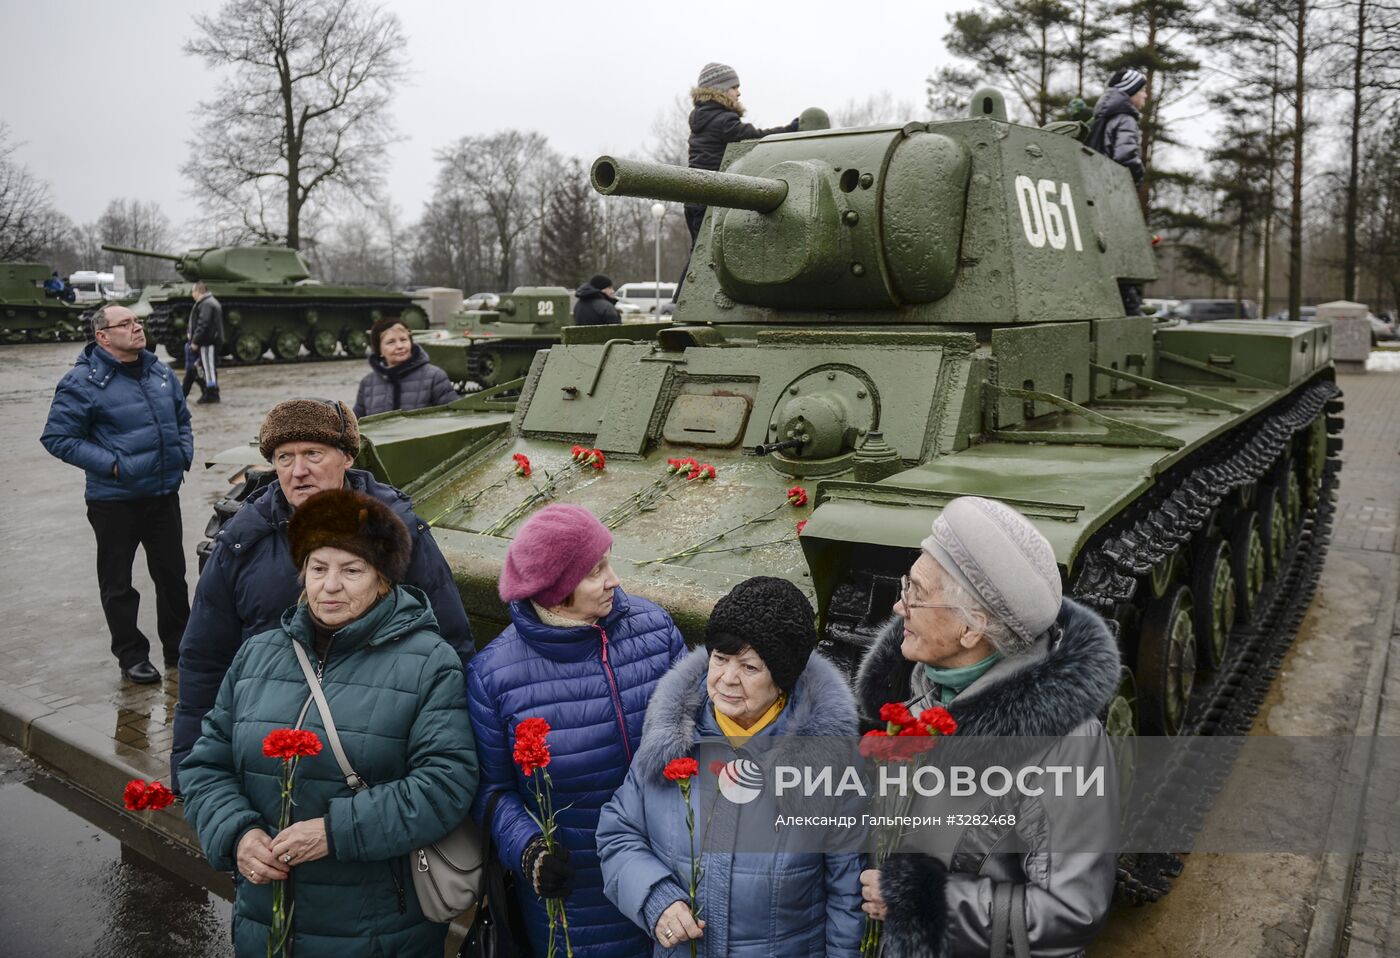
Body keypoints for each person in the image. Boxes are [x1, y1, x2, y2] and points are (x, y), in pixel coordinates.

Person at [180, 488, 478, 957]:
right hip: (267, 920)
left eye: (351, 570)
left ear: (382, 580)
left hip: (379, 928)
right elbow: (206, 764)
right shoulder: (259, 654)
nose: (330, 585)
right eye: (318, 568)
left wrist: (336, 833)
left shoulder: (428, 663)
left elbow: (446, 783)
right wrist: (236, 833)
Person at [853, 496, 1121, 957]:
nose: (899, 606)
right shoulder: (913, 691)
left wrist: (921, 902)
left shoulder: (1065, 746)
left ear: (972, 629)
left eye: (916, 591)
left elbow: (1071, 913)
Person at [171, 398, 474, 791]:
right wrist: (188, 769)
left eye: (313, 454)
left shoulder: (395, 533)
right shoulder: (243, 542)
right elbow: (204, 658)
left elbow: (451, 642)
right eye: (284, 457)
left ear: (347, 456)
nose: (298, 472)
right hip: (268, 756)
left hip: (368, 756)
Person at [597, 576, 864, 956]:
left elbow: (847, 895)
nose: (727, 679)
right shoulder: (670, 740)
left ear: (782, 680)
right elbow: (616, 832)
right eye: (720, 659)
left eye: (750, 667)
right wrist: (656, 898)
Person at [467, 504, 688, 958]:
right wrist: (529, 852)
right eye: (595, 571)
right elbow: (490, 791)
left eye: (609, 561)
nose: (615, 580)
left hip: (671, 877)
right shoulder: (493, 676)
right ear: (555, 591)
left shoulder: (657, 630)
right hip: (576, 900)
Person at [40, 304, 193, 685]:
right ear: (102, 336)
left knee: (173, 576)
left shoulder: (159, 371)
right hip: (114, 500)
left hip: (162, 494)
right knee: (118, 582)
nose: (136, 327)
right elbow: (58, 438)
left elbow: (182, 418)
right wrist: (114, 465)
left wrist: (183, 454)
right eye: (125, 323)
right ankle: (131, 655)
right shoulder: (81, 382)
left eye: (137, 320)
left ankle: (179, 648)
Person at [685, 62, 798, 246]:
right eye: (734, 87)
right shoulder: (723, 121)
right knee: (708, 255)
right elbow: (755, 138)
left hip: (694, 197)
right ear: (719, 90)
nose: (738, 93)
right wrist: (791, 130)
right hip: (711, 195)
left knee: (699, 256)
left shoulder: (702, 118)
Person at [353, 315, 458, 418]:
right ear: (379, 350)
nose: (400, 346)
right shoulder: (368, 383)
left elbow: (454, 416)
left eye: (403, 340)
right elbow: (356, 426)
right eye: (391, 342)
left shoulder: (435, 377)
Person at [1087, 67, 1148, 188]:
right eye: (1142, 90)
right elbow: (1125, 157)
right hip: (1114, 187)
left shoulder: (1103, 117)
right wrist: (1137, 180)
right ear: (1131, 91)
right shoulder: (1126, 120)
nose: (1145, 95)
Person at [189, 281, 224, 404]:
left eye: (193, 292)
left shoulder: (206, 304)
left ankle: (212, 394)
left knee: (209, 368)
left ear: (198, 291)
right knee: (207, 367)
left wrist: (195, 341)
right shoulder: (209, 302)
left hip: (208, 342)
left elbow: (203, 324)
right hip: (209, 341)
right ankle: (210, 391)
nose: (192, 294)